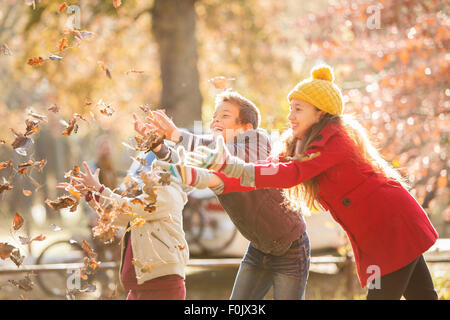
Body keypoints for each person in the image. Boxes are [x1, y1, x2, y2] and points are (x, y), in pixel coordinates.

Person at [180, 65, 439, 300]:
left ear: (320, 112)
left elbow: (292, 174)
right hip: (388, 226)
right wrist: (212, 177)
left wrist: (229, 165)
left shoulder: (334, 140)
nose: (290, 116)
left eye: (298, 109)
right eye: (291, 108)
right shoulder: (300, 143)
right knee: (423, 296)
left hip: (390, 224)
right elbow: (265, 173)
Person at [137, 91, 310, 300]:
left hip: (290, 247)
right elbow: (185, 169)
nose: (216, 120)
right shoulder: (211, 154)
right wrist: (158, 146)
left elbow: (235, 161)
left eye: (225, 115)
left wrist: (178, 136)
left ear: (245, 127)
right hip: (258, 248)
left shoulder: (258, 141)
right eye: (214, 116)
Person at [57, 155, 203, 300]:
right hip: (142, 284)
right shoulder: (153, 195)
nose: (147, 175)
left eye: (153, 169)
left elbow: (128, 208)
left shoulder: (168, 193)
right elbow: (119, 216)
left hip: (161, 284)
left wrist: (99, 188)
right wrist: (90, 195)